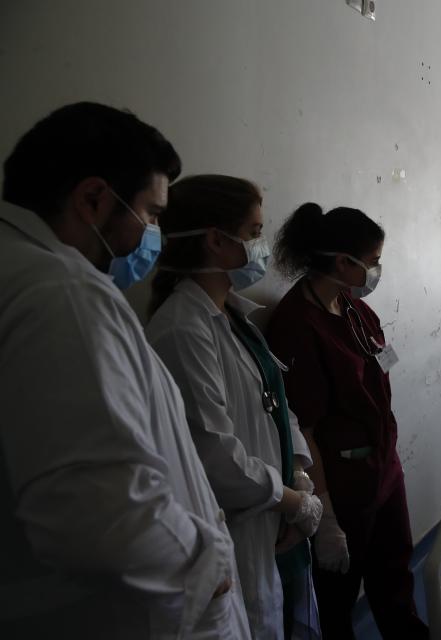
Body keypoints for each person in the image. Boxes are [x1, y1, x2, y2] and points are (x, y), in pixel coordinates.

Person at [0, 103, 250, 638]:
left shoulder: (25, 273)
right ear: (93, 199)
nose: (155, 233)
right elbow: (99, 513)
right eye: (152, 214)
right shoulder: (60, 295)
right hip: (151, 609)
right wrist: (208, 565)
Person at [144, 175, 325, 639]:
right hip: (240, 526)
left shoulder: (234, 316)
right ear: (215, 241)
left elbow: (277, 403)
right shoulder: (183, 329)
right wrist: (293, 500)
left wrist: (300, 472)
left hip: (273, 513)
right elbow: (214, 455)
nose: (261, 247)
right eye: (253, 233)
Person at [266, 204, 429, 639]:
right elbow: (304, 429)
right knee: (337, 596)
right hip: (342, 483)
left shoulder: (355, 310)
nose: (376, 270)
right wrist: (328, 514)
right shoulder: (296, 325)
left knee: (396, 573)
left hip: (382, 468)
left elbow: (379, 368)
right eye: (372, 261)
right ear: (343, 262)